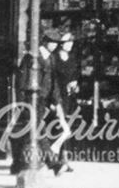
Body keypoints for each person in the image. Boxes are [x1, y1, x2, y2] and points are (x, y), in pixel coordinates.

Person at [9, 30, 59, 176]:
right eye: (52, 42)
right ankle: (53, 163)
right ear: (45, 42)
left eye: (56, 43)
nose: (55, 45)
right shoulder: (31, 58)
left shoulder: (50, 58)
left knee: (26, 132)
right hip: (30, 99)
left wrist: (54, 100)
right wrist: (20, 102)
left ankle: (17, 165)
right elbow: (20, 81)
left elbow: (52, 81)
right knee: (37, 129)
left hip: (42, 100)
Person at [52, 32, 79, 173]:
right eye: (68, 42)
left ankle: (64, 159)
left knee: (67, 128)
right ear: (62, 43)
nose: (70, 45)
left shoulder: (72, 58)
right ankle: (54, 159)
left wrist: (75, 83)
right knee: (58, 127)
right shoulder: (55, 58)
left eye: (72, 43)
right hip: (57, 96)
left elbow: (75, 74)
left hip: (69, 97)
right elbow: (53, 78)